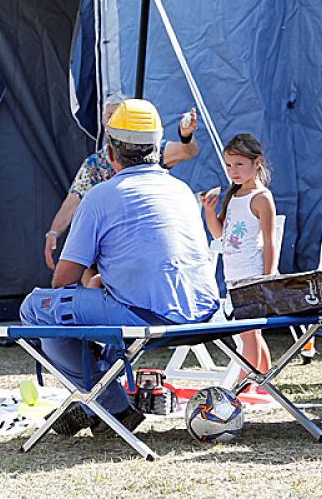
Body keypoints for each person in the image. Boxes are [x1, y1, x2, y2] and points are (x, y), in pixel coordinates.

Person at [20, 98, 222, 436]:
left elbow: (63, 280)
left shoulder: (101, 196)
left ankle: (105, 403)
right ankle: (101, 399)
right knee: (108, 306)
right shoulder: (183, 190)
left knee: (37, 309)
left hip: (147, 315)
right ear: (158, 149)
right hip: (203, 313)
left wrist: (96, 279)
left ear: (110, 154)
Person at [44, 97, 201, 270]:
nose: (112, 119)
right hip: (113, 243)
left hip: (147, 237)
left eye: (117, 114)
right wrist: (54, 232)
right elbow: (74, 199)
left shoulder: (150, 149)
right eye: (108, 115)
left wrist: (186, 136)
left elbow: (188, 151)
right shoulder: (94, 164)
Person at [201, 134, 278, 376]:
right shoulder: (233, 195)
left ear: (257, 163)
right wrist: (209, 211)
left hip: (252, 274)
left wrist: (268, 277)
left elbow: (269, 241)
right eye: (228, 165)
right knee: (251, 332)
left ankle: (245, 380)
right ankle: (263, 381)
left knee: (248, 332)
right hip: (233, 274)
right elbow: (219, 235)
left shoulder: (262, 198)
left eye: (239, 164)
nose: (233, 171)